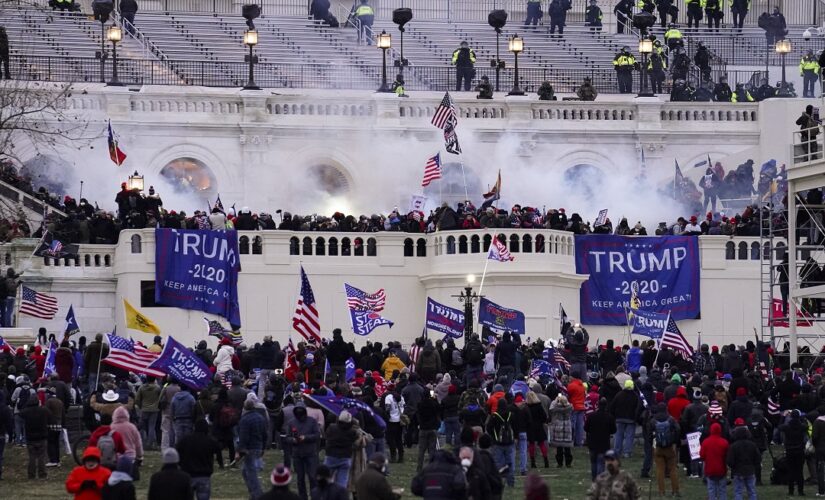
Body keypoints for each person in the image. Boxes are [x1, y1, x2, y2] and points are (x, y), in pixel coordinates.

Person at [176, 418, 224, 500]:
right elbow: (219, 449)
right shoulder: (210, 441)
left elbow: (177, 450)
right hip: (204, 475)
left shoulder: (185, 440)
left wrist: (180, 464)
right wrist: (221, 464)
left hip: (187, 474)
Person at [289, 404, 321, 500]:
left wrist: (305, 438)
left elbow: (317, 435)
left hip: (310, 453)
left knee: (312, 477)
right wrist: (293, 440)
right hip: (297, 454)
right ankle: (303, 497)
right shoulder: (291, 422)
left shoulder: (312, 421)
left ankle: (315, 496)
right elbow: (287, 437)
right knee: (300, 478)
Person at [650, 402, 679, 497]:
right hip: (670, 447)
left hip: (658, 447)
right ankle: (675, 491)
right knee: (672, 470)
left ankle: (661, 492)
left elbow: (648, 432)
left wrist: (651, 442)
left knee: (660, 470)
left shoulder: (653, 420)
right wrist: (674, 440)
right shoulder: (671, 419)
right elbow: (678, 429)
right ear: (666, 409)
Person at [584, 397, 615, 481]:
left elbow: (586, 428)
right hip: (604, 443)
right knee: (601, 462)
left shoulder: (591, 416)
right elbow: (613, 430)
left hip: (593, 442)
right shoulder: (609, 417)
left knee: (593, 462)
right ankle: (599, 478)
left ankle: (594, 478)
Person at [325, 410, 358, 487]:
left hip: (331, 456)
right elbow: (355, 440)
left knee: (326, 479)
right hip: (345, 457)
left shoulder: (332, 427)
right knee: (342, 482)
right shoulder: (352, 432)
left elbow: (326, 435)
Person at [20, 396, 48, 479]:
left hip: (30, 437)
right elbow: (50, 416)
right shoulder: (43, 410)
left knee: (32, 457)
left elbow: (20, 413)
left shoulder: (26, 411)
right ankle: (42, 474)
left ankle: (31, 475)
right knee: (41, 457)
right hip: (42, 436)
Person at [781, 409, 808, 496]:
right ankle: (800, 491)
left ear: (791, 416)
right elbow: (806, 425)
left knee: (791, 471)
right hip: (800, 450)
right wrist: (802, 418)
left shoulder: (787, 426)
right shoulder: (802, 426)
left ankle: (791, 491)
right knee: (799, 471)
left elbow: (779, 426)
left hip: (790, 450)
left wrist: (783, 416)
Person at [700, 422, 729, 500]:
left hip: (710, 469)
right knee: (722, 490)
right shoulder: (724, 442)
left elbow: (702, 456)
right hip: (721, 469)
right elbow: (727, 456)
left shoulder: (705, 442)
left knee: (711, 489)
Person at [548, 393, 573, 468]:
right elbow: (569, 405)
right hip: (567, 427)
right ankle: (568, 462)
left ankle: (560, 463)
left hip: (558, 427)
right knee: (567, 447)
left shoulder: (556, 408)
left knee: (559, 447)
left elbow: (551, 409)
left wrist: (556, 400)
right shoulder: (570, 407)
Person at [135, 376, 160, 450]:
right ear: (154, 379)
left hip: (144, 409)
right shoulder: (158, 388)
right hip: (154, 410)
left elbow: (137, 399)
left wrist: (140, 406)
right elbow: (160, 398)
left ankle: (142, 443)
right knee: (152, 427)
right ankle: (150, 444)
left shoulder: (141, 388)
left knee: (143, 426)